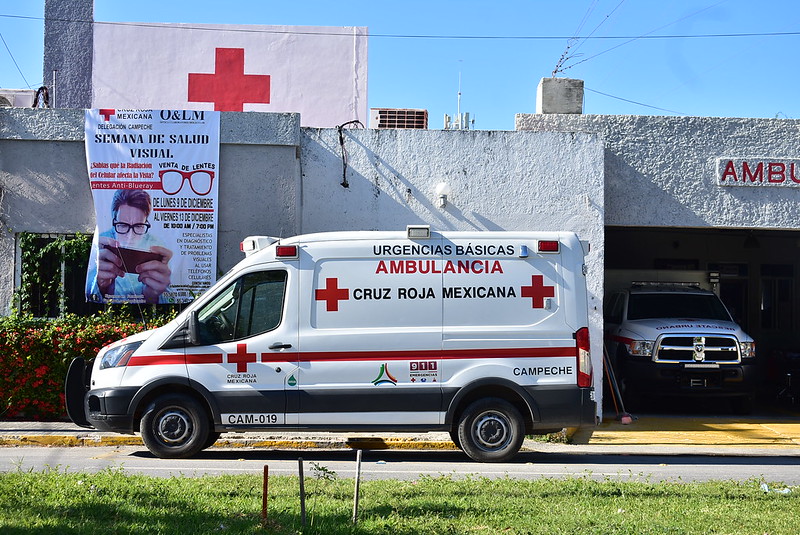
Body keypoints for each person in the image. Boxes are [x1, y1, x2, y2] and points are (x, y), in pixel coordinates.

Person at [86, 189, 173, 304]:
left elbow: (170, 297)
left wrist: (154, 296)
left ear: (146, 222)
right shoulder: (102, 244)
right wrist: (100, 286)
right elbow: (90, 294)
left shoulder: (158, 248)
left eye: (138, 226)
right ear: (114, 221)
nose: (130, 236)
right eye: (122, 225)